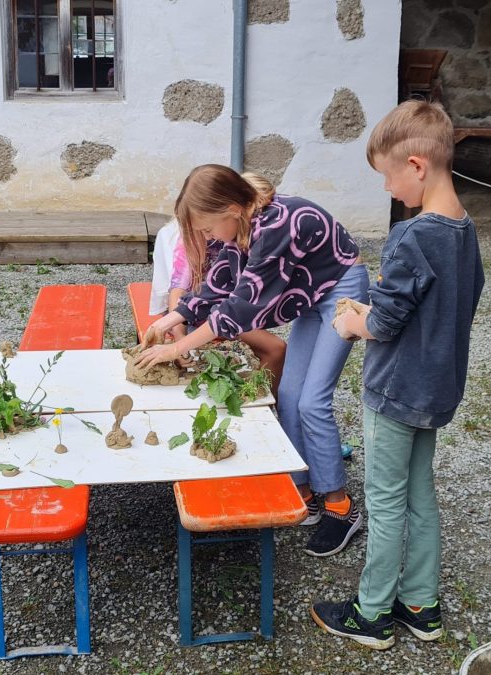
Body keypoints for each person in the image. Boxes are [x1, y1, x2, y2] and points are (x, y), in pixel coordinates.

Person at [311, 100, 484, 649]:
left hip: (393, 391)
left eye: (387, 177)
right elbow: (453, 303)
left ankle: (370, 613)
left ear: (415, 166)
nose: (387, 189)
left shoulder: (414, 236)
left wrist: (350, 320)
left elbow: (383, 323)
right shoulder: (464, 228)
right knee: (419, 496)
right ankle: (420, 603)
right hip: (435, 389)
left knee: (384, 501)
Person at [136, 164, 370, 557]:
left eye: (208, 229)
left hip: (340, 288)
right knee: (291, 394)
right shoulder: (235, 225)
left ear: (230, 209)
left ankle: (340, 508)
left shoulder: (276, 226)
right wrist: (169, 319)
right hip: (311, 292)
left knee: (312, 400)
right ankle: (304, 490)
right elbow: (216, 286)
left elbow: (237, 310)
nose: (207, 237)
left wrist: (176, 349)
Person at [149, 173, 287, 394]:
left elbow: (243, 300)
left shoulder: (248, 234)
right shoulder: (196, 237)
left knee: (275, 348)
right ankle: (253, 399)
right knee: (272, 347)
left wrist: (177, 345)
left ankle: (260, 403)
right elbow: (179, 292)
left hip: (229, 310)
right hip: (203, 311)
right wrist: (177, 335)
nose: (207, 234)